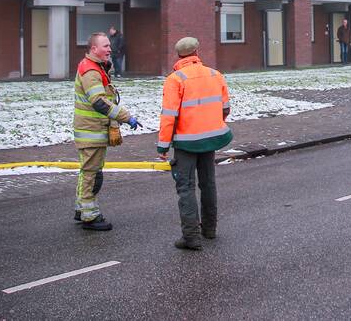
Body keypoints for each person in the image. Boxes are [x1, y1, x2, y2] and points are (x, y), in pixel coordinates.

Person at [157, 37, 232, 251]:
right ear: (197, 52)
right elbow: (225, 108)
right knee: (208, 183)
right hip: (211, 139)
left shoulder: (175, 79)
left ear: (178, 55)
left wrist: (163, 146)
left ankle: (191, 237)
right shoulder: (215, 74)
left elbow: (169, 116)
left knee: (186, 187)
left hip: (186, 143)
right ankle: (209, 229)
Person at [73, 32, 139, 231]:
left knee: (88, 172)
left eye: (109, 46)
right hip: (91, 132)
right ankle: (89, 216)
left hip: (92, 131)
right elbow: (100, 102)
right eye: (105, 46)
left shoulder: (96, 67)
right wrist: (126, 117)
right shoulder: (91, 71)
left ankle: (81, 209)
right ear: (93, 49)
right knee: (92, 174)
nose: (109, 49)